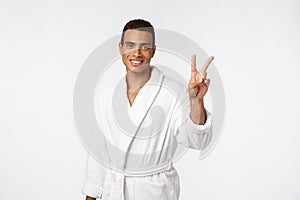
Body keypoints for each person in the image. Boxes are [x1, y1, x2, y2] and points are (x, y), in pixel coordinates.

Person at [82, 19, 214, 200]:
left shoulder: (174, 92)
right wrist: (91, 196)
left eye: (144, 47)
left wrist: (196, 102)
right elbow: (98, 154)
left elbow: (197, 141)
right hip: (113, 191)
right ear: (120, 48)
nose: (136, 53)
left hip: (153, 192)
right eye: (130, 45)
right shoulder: (107, 95)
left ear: (153, 51)